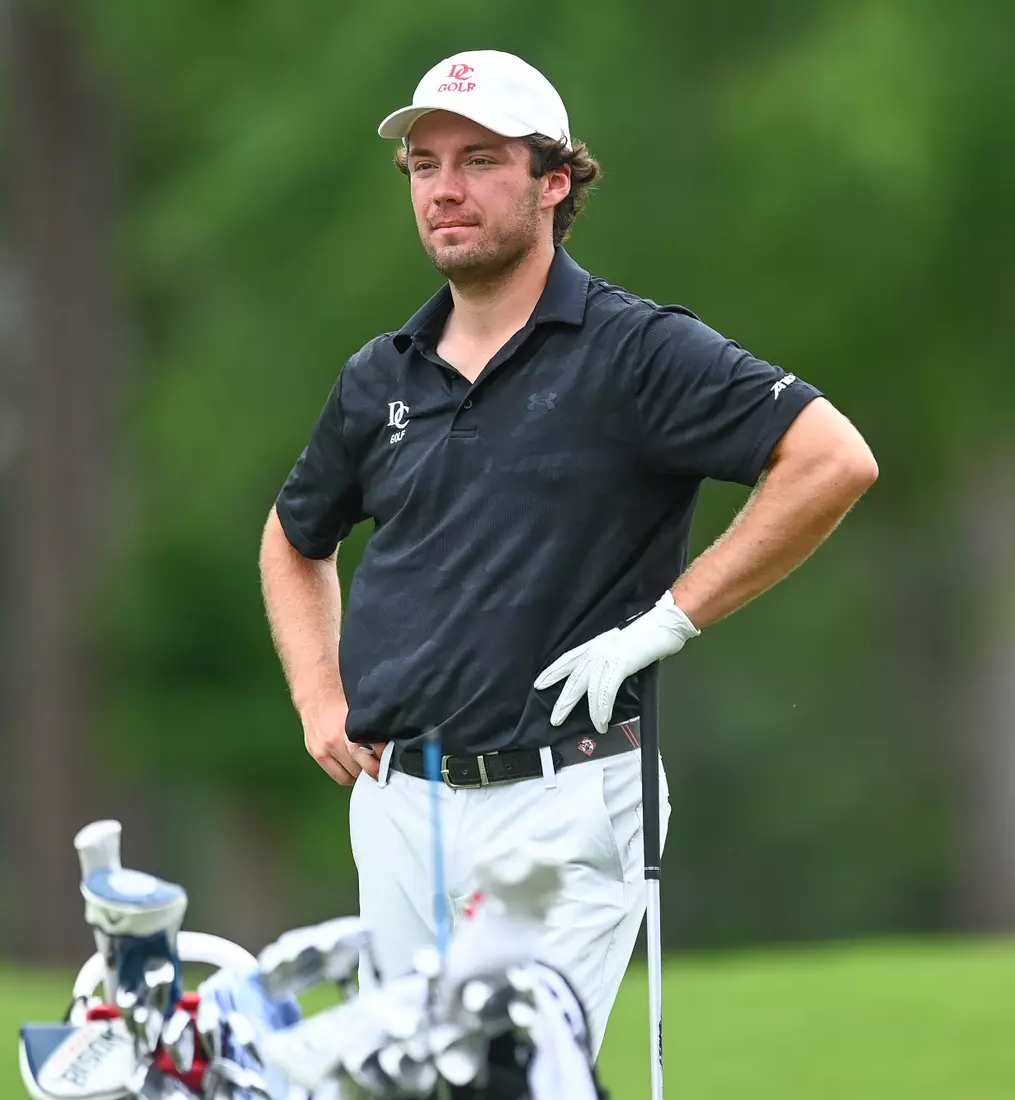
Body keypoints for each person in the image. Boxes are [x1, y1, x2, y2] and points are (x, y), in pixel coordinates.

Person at [256, 48, 878, 1071]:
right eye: (424, 163)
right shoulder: (381, 378)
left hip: (566, 803)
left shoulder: (636, 351)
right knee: (404, 1084)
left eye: (479, 159)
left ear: (554, 181)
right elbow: (294, 536)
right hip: (403, 802)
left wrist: (666, 621)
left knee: (508, 1076)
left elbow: (829, 458)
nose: (445, 187)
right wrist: (320, 696)